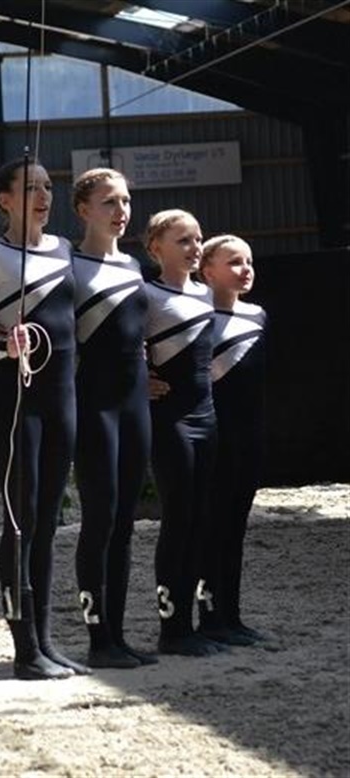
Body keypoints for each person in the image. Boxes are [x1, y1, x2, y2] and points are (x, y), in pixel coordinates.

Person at [0, 158, 87, 680]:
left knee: (49, 522)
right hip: (17, 398)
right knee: (22, 520)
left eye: (49, 187)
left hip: (63, 398)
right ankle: (24, 649)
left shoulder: (65, 249)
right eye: (31, 188)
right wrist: (0, 349)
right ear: (4, 200)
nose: (44, 196)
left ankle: (47, 642)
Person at [69, 168, 157, 669]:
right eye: (109, 202)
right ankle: (98, 639)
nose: (121, 211)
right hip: (94, 405)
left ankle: (119, 636)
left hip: (135, 405)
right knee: (99, 520)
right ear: (84, 210)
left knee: (125, 523)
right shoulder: (70, 265)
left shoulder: (133, 265)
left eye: (125, 200)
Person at [142, 209, 226, 657]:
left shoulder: (205, 293)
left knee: (200, 519)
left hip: (206, 417)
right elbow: (114, 346)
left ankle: (196, 623)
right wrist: (138, 378)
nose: (195, 248)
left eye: (197, 239)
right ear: (156, 247)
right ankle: (172, 628)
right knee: (178, 519)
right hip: (170, 419)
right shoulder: (147, 294)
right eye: (183, 241)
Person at [195, 235, 270, 646]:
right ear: (207, 272)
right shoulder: (195, 316)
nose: (245, 270)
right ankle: (209, 617)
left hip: (248, 436)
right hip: (212, 435)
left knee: (235, 527)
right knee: (211, 528)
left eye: (249, 261)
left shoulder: (257, 315)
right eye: (234, 262)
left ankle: (232, 615)